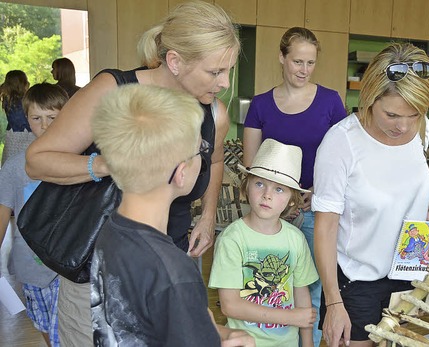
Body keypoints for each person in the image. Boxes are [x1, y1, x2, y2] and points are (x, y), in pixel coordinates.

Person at [25, 2, 240, 345]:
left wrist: (208, 214)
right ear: (174, 61)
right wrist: (109, 164)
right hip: (97, 275)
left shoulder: (214, 112)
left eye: (228, 70)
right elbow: (37, 160)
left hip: (169, 267)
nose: (225, 83)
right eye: (215, 71)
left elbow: (214, 160)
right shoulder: (114, 90)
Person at [90, 84, 254, 346]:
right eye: (200, 150)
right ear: (180, 173)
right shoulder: (174, 273)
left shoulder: (111, 232)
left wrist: (214, 333)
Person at [312, 42, 429, 347]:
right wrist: (334, 304)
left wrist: (427, 208)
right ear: (370, 98)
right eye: (391, 115)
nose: (403, 126)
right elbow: (325, 227)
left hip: (410, 275)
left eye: (413, 115)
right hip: (356, 280)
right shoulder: (341, 143)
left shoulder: (420, 129)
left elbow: (410, 181)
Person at [242, 27, 346, 346]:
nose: (304, 70)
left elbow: (343, 158)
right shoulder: (260, 105)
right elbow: (251, 168)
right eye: (297, 61)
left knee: (312, 292)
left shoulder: (330, 102)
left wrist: (316, 192)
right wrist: (279, 201)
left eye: (310, 63)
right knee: (269, 290)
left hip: (316, 208)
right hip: (272, 211)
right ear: (282, 58)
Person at [210, 138, 319, 346]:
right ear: (246, 187)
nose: (267, 195)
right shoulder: (232, 239)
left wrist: (307, 344)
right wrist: (290, 317)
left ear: (292, 200)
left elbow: (302, 297)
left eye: (279, 189)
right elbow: (229, 305)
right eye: (260, 183)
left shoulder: (295, 239)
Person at [0, 83, 68, 347]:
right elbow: (3, 215)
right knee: (45, 328)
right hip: (31, 268)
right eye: (37, 118)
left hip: (68, 270)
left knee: (63, 332)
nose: (45, 125)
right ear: (26, 119)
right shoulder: (15, 168)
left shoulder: (81, 163)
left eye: (53, 117)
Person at [1, 70, 33, 164]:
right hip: (26, 134)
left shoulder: (8, 100)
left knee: (11, 162)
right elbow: (25, 120)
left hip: (12, 135)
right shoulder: (24, 101)